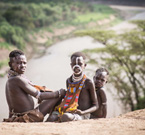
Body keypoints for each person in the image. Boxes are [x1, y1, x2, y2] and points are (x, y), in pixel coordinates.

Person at [3, 50, 66, 122]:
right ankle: (51, 121)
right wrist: (59, 92)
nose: (23, 65)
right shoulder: (17, 79)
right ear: (10, 64)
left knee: (52, 95)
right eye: (18, 63)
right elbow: (40, 96)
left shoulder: (11, 78)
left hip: (21, 115)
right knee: (58, 96)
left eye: (24, 63)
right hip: (27, 117)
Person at [47, 52, 98, 122]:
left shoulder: (88, 82)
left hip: (82, 115)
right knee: (52, 117)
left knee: (66, 116)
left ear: (85, 65)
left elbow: (95, 106)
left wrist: (83, 112)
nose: (77, 66)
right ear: (71, 65)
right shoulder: (69, 81)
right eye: (74, 64)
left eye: (80, 64)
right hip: (69, 111)